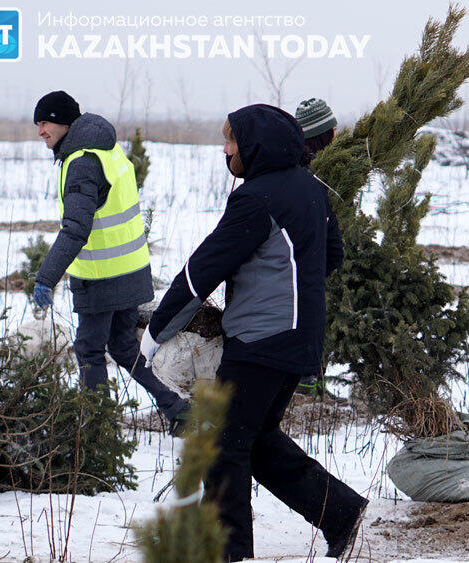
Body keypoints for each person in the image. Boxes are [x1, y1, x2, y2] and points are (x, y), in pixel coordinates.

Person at [141, 104, 365, 561]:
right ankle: (341, 513)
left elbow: (203, 268)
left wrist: (157, 330)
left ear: (254, 147)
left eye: (231, 142)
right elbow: (332, 255)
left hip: (263, 340)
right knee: (253, 440)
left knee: (223, 442)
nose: (225, 150)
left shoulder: (256, 198)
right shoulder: (310, 188)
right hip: (298, 339)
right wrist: (287, 283)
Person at [30, 91, 188, 433]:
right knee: (122, 345)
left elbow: (76, 228)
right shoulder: (106, 150)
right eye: (37, 124)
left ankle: (97, 433)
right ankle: (175, 407)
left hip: (102, 276)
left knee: (89, 349)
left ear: (64, 122)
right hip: (130, 270)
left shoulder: (82, 163)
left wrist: (46, 276)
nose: (40, 131)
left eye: (45, 122)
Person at [293, 97, 340, 396]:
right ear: (322, 135)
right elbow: (333, 248)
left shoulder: (305, 172)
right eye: (333, 129)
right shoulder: (315, 178)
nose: (338, 134)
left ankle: (310, 376)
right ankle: (306, 378)